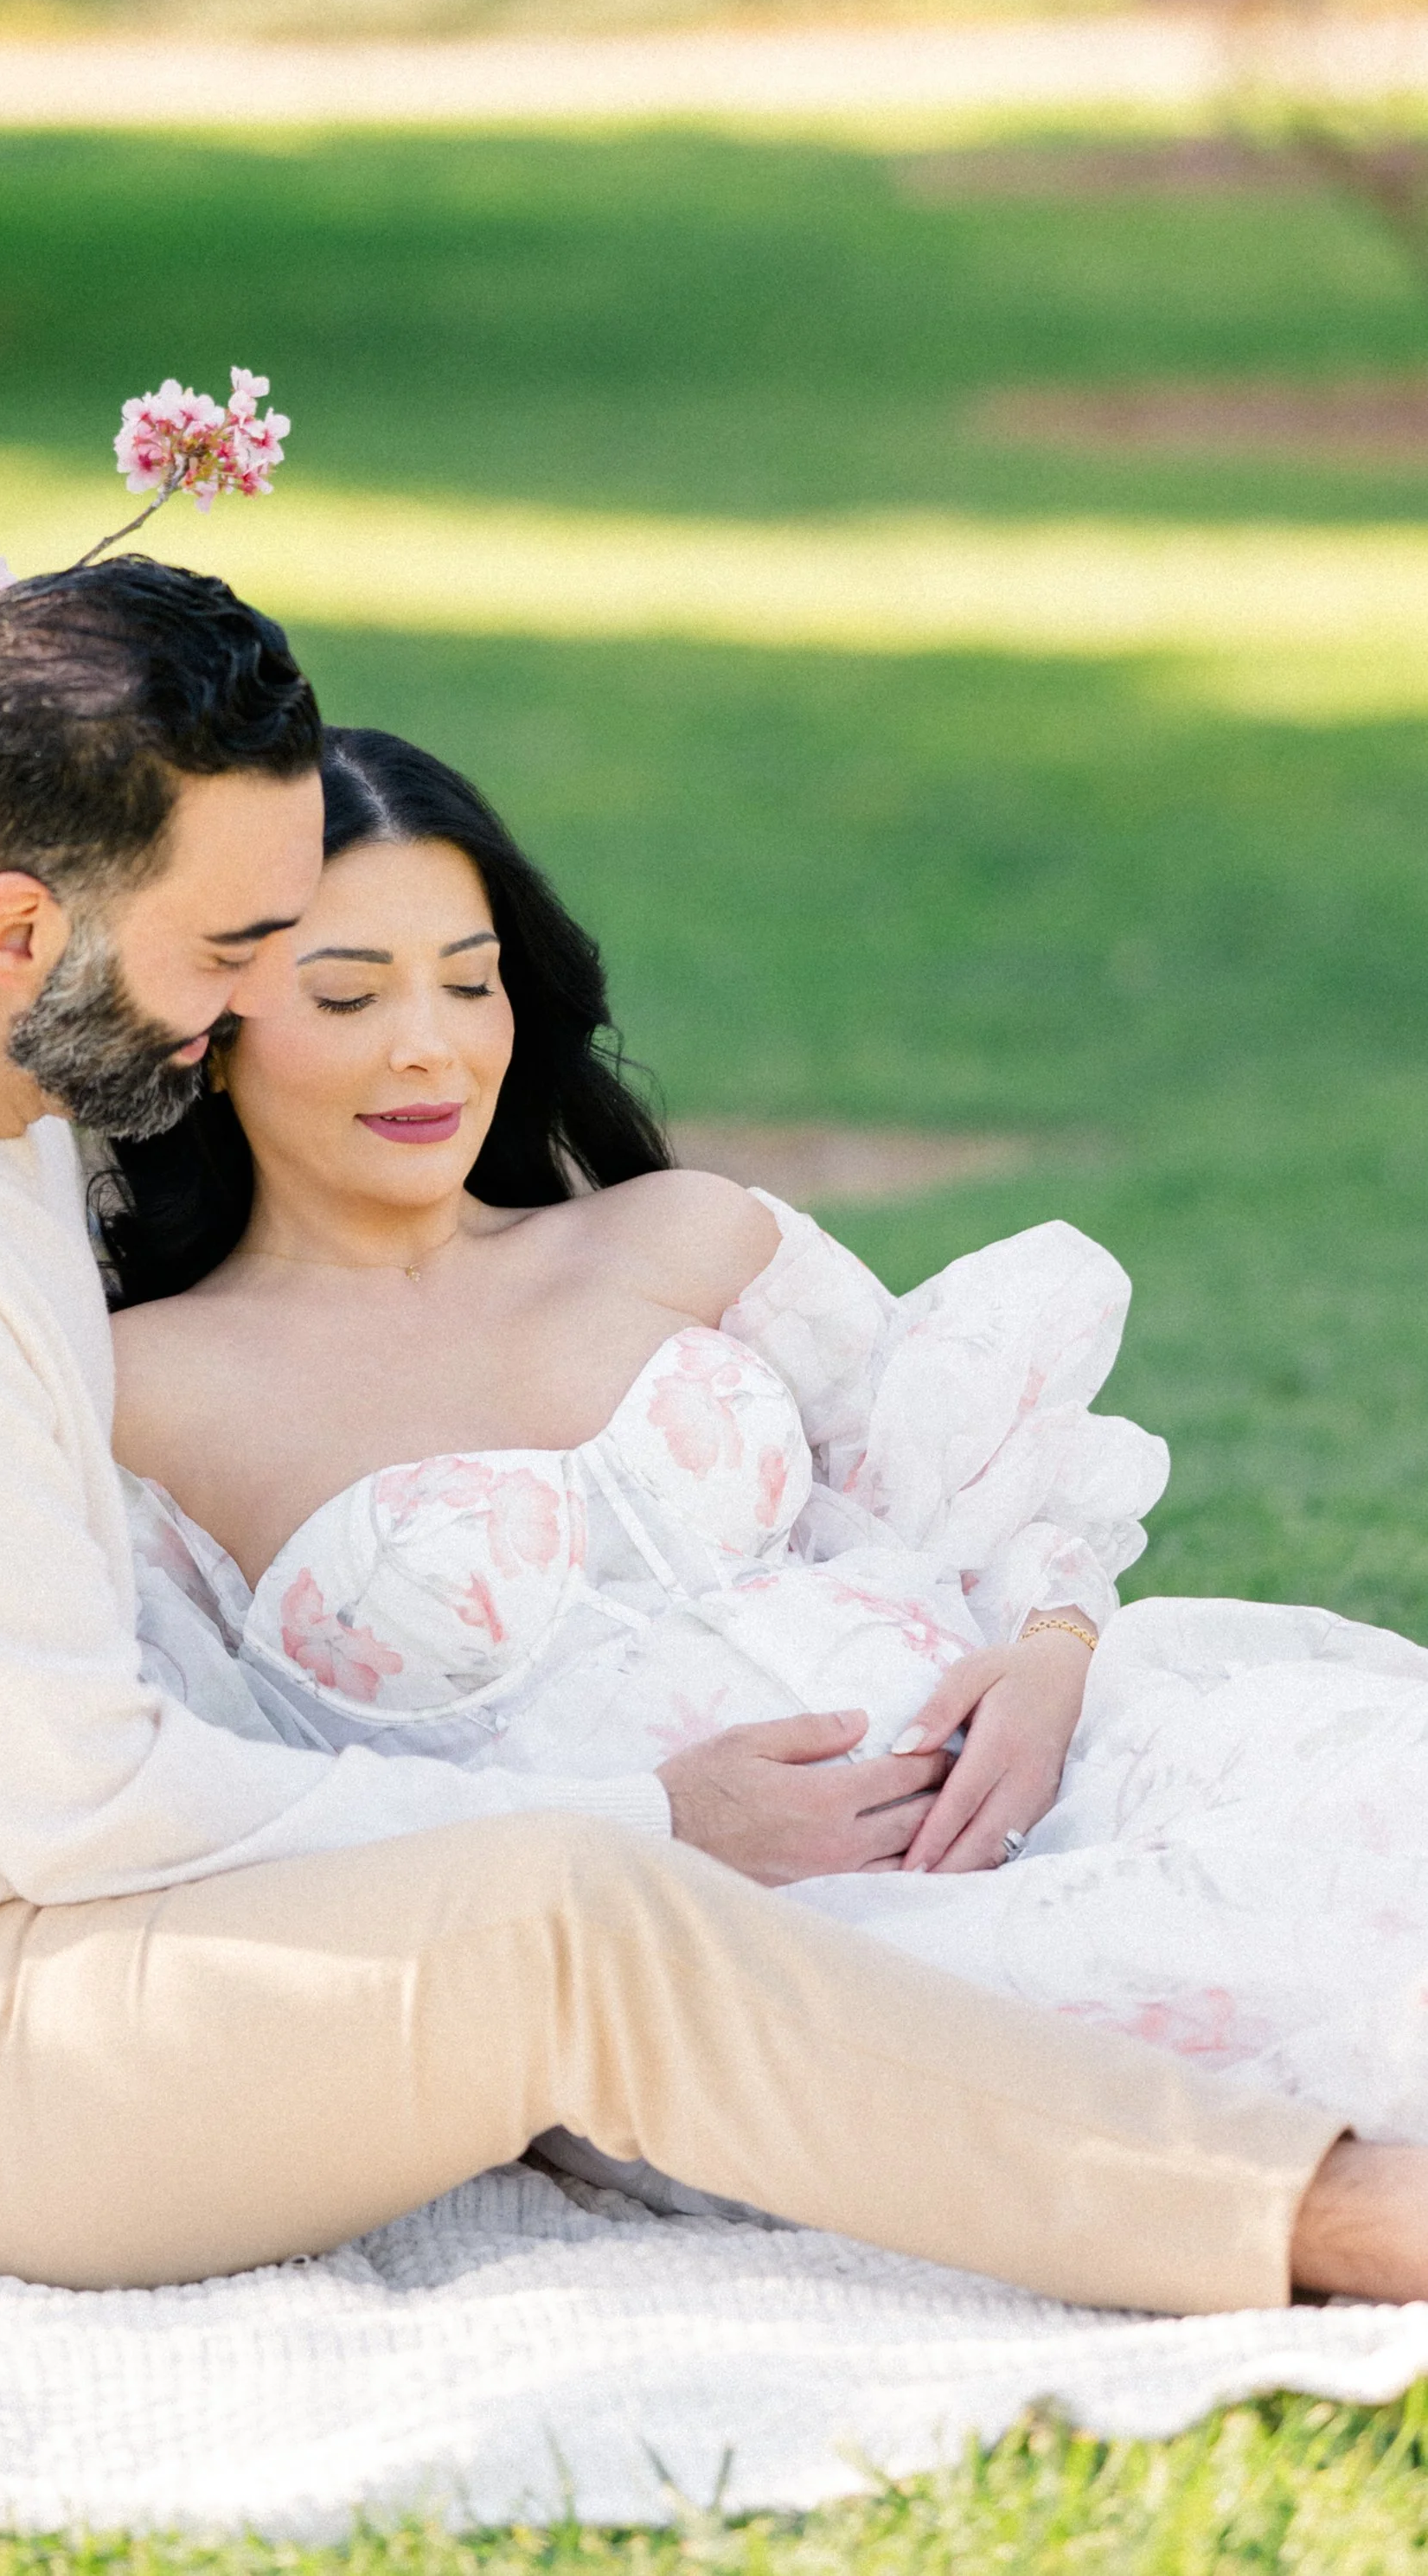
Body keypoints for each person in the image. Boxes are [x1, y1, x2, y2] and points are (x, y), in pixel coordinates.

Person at [0, 563, 1428, 2308]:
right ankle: (1311, 2218)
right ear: (11, 925)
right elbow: (87, 1806)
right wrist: (652, 1814)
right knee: (570, 1916)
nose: (262, 1009)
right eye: (235, 955)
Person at [108, 723, 1428, 2200]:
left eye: (470, 979)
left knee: (1384, 1798)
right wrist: (654, 1827)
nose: (431, 1041)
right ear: (204, 1025)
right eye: (348, 992)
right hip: (730, 1966)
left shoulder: (677, 1236)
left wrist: (1051, 1663)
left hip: (1061, 1778)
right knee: (1151, 1996)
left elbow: (994, 1499)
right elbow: (207, 1818)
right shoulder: (146, 1405)